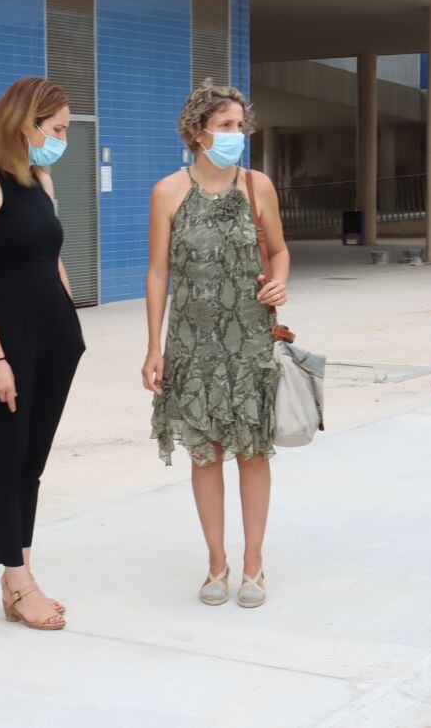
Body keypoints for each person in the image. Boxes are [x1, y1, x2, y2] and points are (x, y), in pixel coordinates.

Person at [143, 81, 289, 609]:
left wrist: (280, 281)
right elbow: (158, 273)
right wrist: (154, 346)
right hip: (190, 341)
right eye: (225, 126)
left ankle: (253, 565)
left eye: (239, 125)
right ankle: (216, 564)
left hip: (248, 337)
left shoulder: (258, 186)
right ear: (197, 131)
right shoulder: (167, 192)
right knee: (205, 454)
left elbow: (279, 250)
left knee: (252, 450)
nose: (236, 135)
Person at [0, 77, 84, 631]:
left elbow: (50, 258)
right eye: (56, 128)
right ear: (25, 125)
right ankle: (15, 578)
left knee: (31, 462)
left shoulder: (42, 179)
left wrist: (70, 316)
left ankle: (22, 573)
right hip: (8, 341)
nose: (61, 139)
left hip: (55, 338)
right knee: (6, 457)